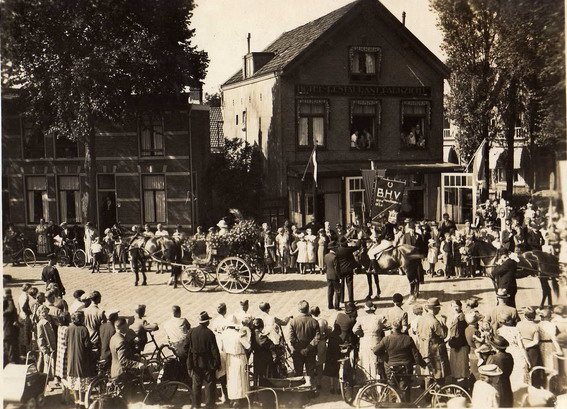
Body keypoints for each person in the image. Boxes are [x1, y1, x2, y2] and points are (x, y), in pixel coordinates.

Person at [373, 318, 426, 402]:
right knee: (405, 388)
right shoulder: (408, 339)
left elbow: (375, 350)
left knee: (392, 387)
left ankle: (393, 405)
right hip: (405, 367)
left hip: (390, 367)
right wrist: (423, 364)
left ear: (391, 328)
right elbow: (416, 355)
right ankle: (405, 405)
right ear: (401, 327)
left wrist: (384, 356)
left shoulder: (387, 339)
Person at [187, 311, 221, 409]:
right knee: (209, 384)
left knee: (196, 385)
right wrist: (217, 363)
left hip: (196, 362)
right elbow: (214, 350)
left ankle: (196, 405)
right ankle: (209, 405)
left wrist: (189, 364)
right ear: (207, 322)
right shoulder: (209, 333)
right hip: (208, 363)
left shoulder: (192, 332)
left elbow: (187, 348)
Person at [415, 297, 450, 383]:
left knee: (428, 374)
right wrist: (444, 324)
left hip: (424, 349)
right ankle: (439, 394)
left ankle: (429, 394)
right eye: (438, 307)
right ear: (435, 308)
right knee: (439, 374)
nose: (439, 309)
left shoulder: (421, 319)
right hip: (435, 351)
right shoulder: (434, 321)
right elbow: (443, 335)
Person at [66, 310, 95, 407]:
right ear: (81, 319)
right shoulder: (84, 329)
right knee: (82, 382)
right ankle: (82, 403)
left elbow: (66, 342)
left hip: (71, 359)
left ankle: (77, 402)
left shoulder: (69, 328)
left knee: (75, 383)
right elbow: (87, 345)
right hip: (81, 359)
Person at [288, 300, 320, 386]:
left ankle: (299, 391)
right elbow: (317, 337)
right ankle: (310, 389)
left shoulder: (293, 322)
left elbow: (291, 338)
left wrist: (300, 349)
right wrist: (308, 348)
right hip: (311, 352)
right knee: (310, 372)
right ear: (308, 309)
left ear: (299, 310)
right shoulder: (314, 322)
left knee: (298, 372)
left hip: (297, 352)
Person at [219, 322, 251, 407]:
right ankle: (240, 399)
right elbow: (248, 346)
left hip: (229, 358)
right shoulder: (238, 335)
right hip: (239, 357)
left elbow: (222, 347)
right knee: (240, 379)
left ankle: (232, 398)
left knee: (231, 379)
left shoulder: (224, 334)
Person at [354, 301, 385, 380]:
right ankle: (377, 380)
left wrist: (361, 334)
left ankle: (366, 380)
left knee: (365, 361)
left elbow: (354, 329)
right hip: (376, 340)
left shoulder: (361, 319)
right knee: (376, 362)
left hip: (365, 341)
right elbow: (387, 325)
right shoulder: (380, 317)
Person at [497, 316, 530, 390]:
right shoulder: (515, 329)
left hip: (507, 352)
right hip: (517, 352)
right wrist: (527, 360)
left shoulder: (499, 331)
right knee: (521, 373)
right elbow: (521, 347)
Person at [486, 335, 514, 407]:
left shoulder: (493, 358)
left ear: (495, 347)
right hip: (507, 384)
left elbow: (486, 371)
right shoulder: (509, 356)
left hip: (496, 385)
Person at [447, 300, 469, 384]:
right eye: (453, 306)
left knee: (462, 367)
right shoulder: (454, 316)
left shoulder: (462, 317)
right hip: (454, 344)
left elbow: (461, 333)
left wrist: (456, 345)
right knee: (455, 366)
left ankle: (462, 385)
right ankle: (456, 384)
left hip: (460, 345)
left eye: (457, 306)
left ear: (460, 306)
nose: (455, 308)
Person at [336, 236, 360, 304]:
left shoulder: (337, 250)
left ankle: (341, 299)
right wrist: (359, 239)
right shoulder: (348, 249)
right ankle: (351, 300)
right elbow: (357, 246)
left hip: (341, 269)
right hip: (348, 269)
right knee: (349, 284)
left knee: (341, 284)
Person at [250, 318, 275, 386]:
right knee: (266, 376)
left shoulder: (252, 335)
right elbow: (271, 346)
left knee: (257, 375)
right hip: (265, 358)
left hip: (256, 357)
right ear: (262, 327)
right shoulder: (262, 336)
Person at [516, 308, 541, 372]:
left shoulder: (519, 324)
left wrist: (522, 346)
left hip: (520, 347)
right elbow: (536, 341)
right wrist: (526, 345)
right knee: (533, 369)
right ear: (534, 316)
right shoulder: (536, 326)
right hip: (532, 350)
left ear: (525, 315)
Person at [55, 313, 71, 404]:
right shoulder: (67, 329)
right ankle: (67, 398)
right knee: (67, 378)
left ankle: (63, 397)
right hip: (66, 355)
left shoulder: (60, 328)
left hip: (60, 355)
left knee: (62, 377)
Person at [83, 291, 104, 357]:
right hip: (96, 339)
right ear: (98, 299)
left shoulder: (85, 311)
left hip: (87, 338)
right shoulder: (100, 312)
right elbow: (103, 327)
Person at [324, 241, 342, 310]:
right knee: (337, 291)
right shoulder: (335, 257)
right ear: (334, 248)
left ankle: (330, 305)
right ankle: (337, 306)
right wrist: (339, 276)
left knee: (330, 291)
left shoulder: (326, 256)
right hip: (335, 276)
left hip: (328, 275)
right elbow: (337, 268)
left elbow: (325, 266)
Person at [4, 288, 20, 365]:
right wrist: (10, 299)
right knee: (10, 348)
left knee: (8, 348)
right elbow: (11, 309)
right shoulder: (5, 313)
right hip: (7, 332)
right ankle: (11, 362)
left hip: (8, 332)